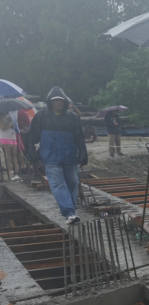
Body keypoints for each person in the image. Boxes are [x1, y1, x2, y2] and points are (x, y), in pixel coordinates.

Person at [24, 87, 87, 223]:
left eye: (61, 100)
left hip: (70, 157)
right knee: (58, 184)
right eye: (55, 101)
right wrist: (31, 154)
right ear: (50, 102)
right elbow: (30, 136)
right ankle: (69, 212)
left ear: (65, 102)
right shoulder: (41, 116)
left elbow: (79, 138)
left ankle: (71, 210)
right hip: (50, 158)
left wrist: (83, 155)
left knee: (73, 183)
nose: (59, 103)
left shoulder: (72, 118)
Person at [0, 113, 16, 179]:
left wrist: (12, 125)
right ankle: (9, 169)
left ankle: (16, 169)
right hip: (5, 137)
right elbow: (3, 128)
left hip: (12, 136)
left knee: (14, 154)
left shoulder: (8, 116)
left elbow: (11, 126)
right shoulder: (1, 117)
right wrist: (9, 122)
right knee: (8, 154)